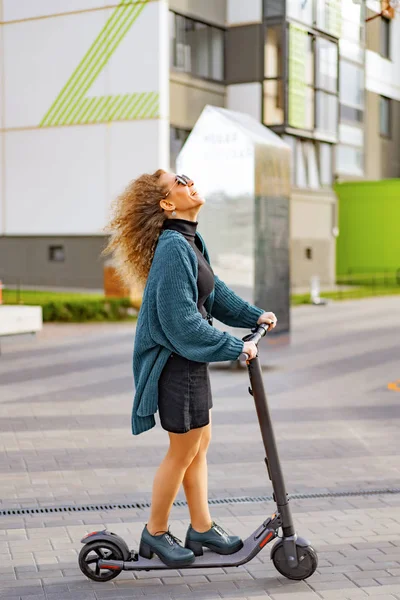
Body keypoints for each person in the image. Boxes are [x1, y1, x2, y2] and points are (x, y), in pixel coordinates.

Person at [103, 170, 277, 568]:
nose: (189, 181)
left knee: (199, 445)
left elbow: (213, 294)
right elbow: (180, 321)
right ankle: (156, 532)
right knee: (181, 451)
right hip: (174, 365)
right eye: (178, 180)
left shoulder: (190, 241)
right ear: (167, 204)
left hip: (189, 361)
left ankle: (201, 527)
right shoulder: (171, 248)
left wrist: (254, 316)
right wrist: (236, 346)